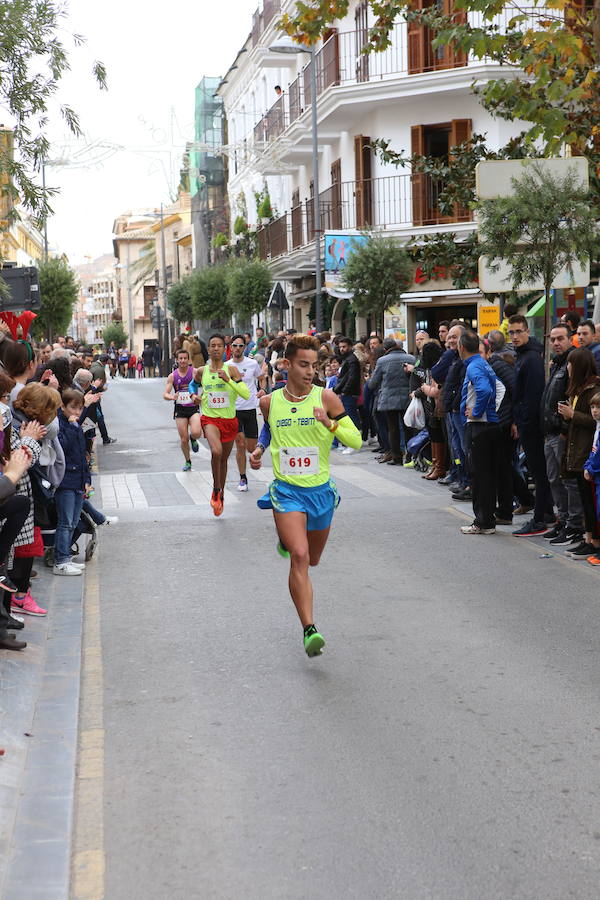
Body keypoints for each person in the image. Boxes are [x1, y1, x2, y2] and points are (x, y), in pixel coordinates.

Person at [249, 334, 362, 657]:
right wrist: (258, 450)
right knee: (299, 557)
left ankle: (290, 540)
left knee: (312, 558)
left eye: (314, 365)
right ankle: (309, 629)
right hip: (286, 491)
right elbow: (269, 429)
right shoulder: (270, 401)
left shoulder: (327, 399)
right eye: (303, 365)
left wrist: (330, 424)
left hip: (321, 492)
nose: (311, 371)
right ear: (286, 364)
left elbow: (355, 440)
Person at [193, 334, 250, 515]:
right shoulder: (202, 371)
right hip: (209, 419)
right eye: (212, 345)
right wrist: (195, 396)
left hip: (229, 421)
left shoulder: (231, 370)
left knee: (223, 460)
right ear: (208, 349)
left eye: (219, 345)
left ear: (224, 349)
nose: (216, 348)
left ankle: (220, 492)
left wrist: (229, 380)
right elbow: (193, 386)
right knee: (216, 452)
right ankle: (216, 488)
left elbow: (246, 394)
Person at [509, 314, 554, 536]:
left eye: (518, 332)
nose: (515, 336)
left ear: (527, 331)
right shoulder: (525, 356)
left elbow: (533, 396)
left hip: (532, 425)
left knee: (539, 472)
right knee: (538, 471)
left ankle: (539, 520)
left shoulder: (531, 359)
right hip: (527, 422)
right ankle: (546, 513)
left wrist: (523, 422)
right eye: (511, 332)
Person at [540, 324, 583, 545]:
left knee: (568, 482)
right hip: (550, 433)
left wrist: (565, 431)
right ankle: (563, 521)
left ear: (570, 340)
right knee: (554, 480)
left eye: (560, 339)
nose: (556, 343)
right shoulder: (557, 365)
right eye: (553, 339)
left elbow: (572, 400)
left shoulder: (571, 365)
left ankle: (574, 526)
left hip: (562, 434)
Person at [458, 331, 504, 535]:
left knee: (479, 476)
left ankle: (482, 522)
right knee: (488, 475)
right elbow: (499, 388)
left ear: (461, 347)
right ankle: (487, 520)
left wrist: (476, 413)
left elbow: (485, 390)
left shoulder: (474, 365)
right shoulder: (484, 363)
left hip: (480, 427)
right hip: (489, 426)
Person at [558, 348, 600, 559]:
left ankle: (594, 541)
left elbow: (595, 420)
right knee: (585, 500)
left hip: (587, 452)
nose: (568, 368)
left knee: (591, 500)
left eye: (571, 364)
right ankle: (587, 537)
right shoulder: (578, 387)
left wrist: (573, 414)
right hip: (577, 449)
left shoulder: (594, 388)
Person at [53, 389, 91, 576]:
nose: (76, 412)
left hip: (77, 480)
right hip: (65, 481)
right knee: (66, 522)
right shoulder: (61, 424)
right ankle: (60, 561)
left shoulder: (74, 423)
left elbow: (82, 454)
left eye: (79, 408)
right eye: (72, 408)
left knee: (74, 521)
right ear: (63, 406)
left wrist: (87, 479)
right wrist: (72, 427)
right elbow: (63, 449)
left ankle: (65, 556)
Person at [368, 339, 415, 465]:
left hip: (389, 399)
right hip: (408, 397)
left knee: (393, 428)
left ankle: (397, 457)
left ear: (385, 349)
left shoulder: (382, 361)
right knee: (408, 427)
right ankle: (411, 457)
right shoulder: (411, 358)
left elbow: (373, 383)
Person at [229, 334, 266, 492]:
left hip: (250, 408)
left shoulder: (251, 364)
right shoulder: (227, 366)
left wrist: (262, 389)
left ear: (245, 347)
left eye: (240, 346)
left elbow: (261, 377)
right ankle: (243, 478)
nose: (237, 348)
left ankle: (252, 462)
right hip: (234, 410)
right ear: (230, 347)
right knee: (240, 444)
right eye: (235, 345)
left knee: (251, 448)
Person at [163, 348, 203, 472]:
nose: (183, 360)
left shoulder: (195, 372)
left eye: (185, 358)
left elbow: (206, 385)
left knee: (197, 432)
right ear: (177, 360)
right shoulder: (173, 376)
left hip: (193, 407)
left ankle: (194, 438)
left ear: (188, 359)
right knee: (183, 439)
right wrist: (172, 397)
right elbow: (165, 394)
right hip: (180, 409)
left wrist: (200, 396)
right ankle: (188, 461)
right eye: (180, 358)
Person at [333, 337, 362, 455]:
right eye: (340, 347)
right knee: (349, 417)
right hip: (347, 392)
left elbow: (351, 378)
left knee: (351, 418)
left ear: (350, 346)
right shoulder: (349, 359)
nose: (342, 349)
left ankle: (353, 443)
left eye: (344, 346)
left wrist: (344, 391)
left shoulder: (351, 360)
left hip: (349, 393)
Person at [583, 392, 600, 565]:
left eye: (598, 407)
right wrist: (587, 466)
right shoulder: (597, 427)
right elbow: (593, 451)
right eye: (592, 407)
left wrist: (591, 468)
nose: (594, 411)